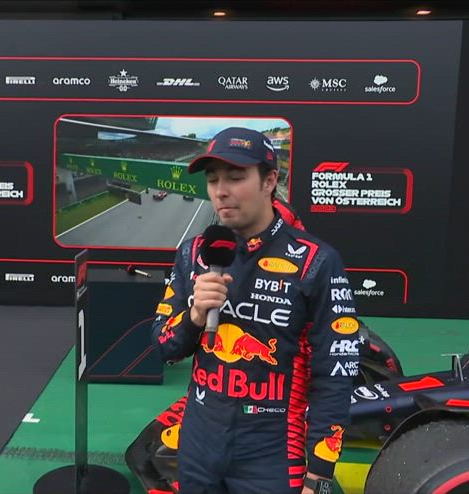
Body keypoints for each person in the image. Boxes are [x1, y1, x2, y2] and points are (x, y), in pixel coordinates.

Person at [152, 127, 359, 494]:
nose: (221, 191)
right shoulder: (193, 252)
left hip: (271, 452)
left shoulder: (316, 261)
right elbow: (164, 346)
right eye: (213, 179)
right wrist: (195, 316)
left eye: (235, 177)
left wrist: (320, 476)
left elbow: (336, 374)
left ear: (269, 181)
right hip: (199, 442)